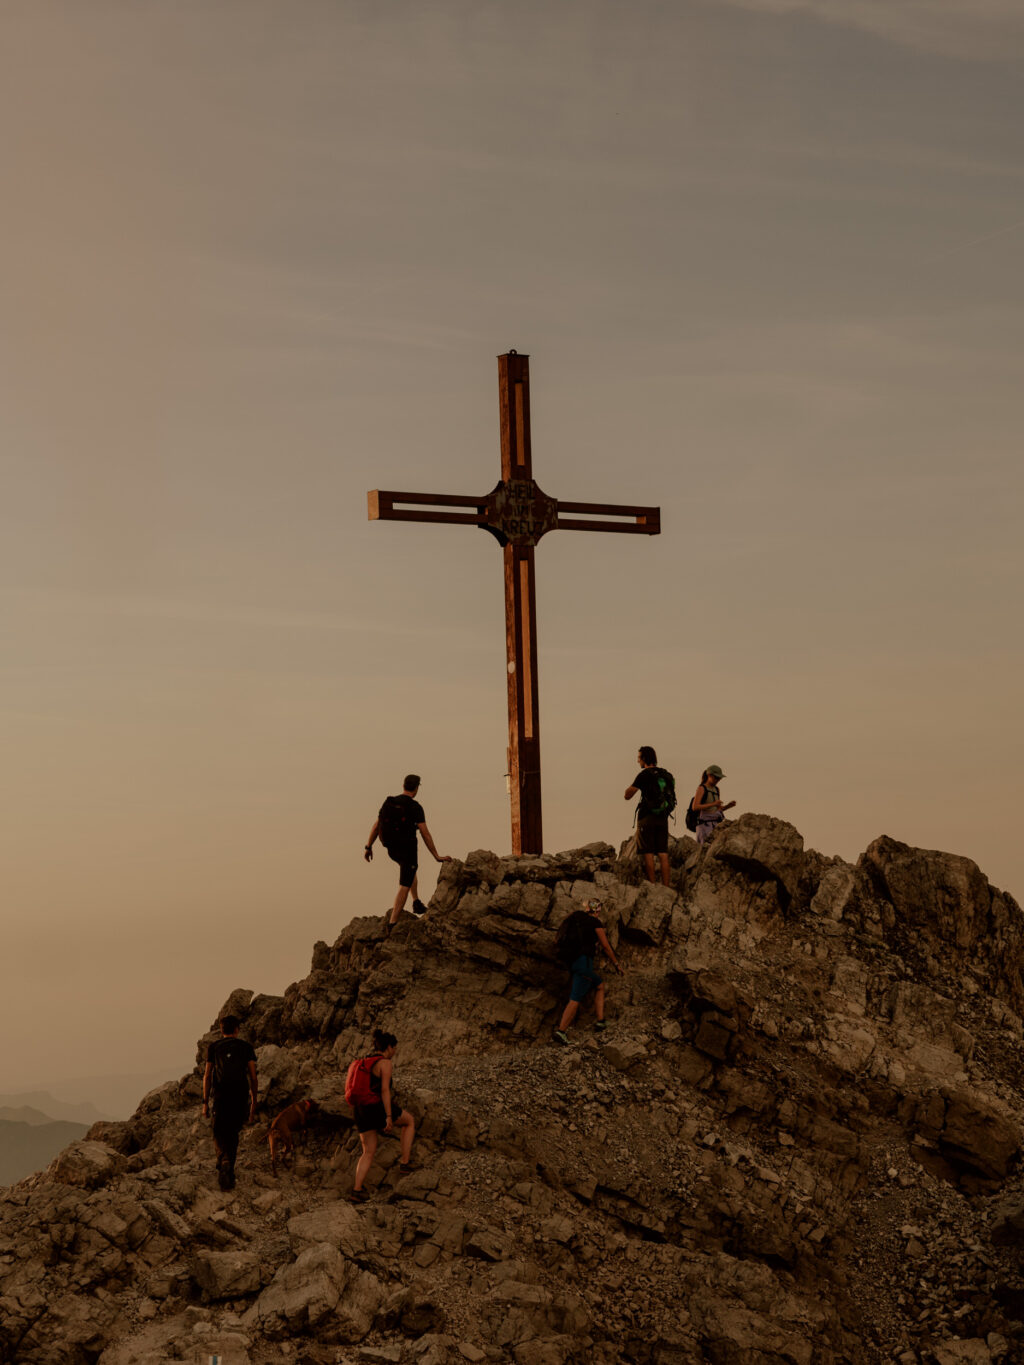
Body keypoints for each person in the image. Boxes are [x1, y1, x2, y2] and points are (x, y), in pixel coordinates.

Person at [364, 775, 452, 931]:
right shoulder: (415, 807)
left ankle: (416, 901)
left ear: (403, 785)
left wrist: (368, 846)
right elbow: (425, 833)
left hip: (391, 847)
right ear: (417, 788)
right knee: (405, 883)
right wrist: (436, 856)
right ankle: (392, 923)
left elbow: (376, 826)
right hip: (407, 848)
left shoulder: (389, 802)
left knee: (409, 870)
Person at [349, 1029, 416, 1203]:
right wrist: (388, 1116)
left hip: (359, 1109)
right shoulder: (385, 1063)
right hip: (375, 1107)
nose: (395, 1052)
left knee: (368, 1151)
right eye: (395, 1048)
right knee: (409, 1121)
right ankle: (405, 1163)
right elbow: (385, 1090)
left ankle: (356, 1190)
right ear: (389, 1047)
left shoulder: (365, 1062)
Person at [553, 899, 623, 1045]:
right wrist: (616, 964)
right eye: (599, 910)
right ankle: (561, 1031)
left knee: (599, 985)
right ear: (597, 910)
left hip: (572, 961)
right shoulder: (595, 923)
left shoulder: (575, 916)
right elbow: (605, 946)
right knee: (575, 998)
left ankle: (600, 1021)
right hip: (583, 964)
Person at [202, 1015, 258, 1191]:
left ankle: (223, 1161)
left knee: (218, 1130)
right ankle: (229, 1171)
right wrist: (254, 1101)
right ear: (237, 1030)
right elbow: (253, 1076)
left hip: (221, 1096)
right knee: (233, 1133)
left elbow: (207, 1076)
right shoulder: (246, 1047)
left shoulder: (214, 1047)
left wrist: (205, 1102)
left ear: (221, 1030)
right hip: (240, 1096)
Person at [624, 746, 675, 886]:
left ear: (644, 759)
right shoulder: (665, 774)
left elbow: (628, 795)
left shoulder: (644, 774)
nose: (638, 761)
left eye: (639, 758)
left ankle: (652, 885)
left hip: (646, 818)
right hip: (663, 817)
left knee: (648, 852)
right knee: (663, 853)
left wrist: (630, 789)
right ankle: (666, 886)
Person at [690, 764, 736, 846]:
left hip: (715, 825)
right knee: (705, 849)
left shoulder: (716, 789)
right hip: (704, 826)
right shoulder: (702, 788)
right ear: (709, 775)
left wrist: (728, 806)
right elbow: (695, 807)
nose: (718, 780)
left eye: (719, 778)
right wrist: (713, 804)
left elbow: (717, 809)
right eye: (716, 777)